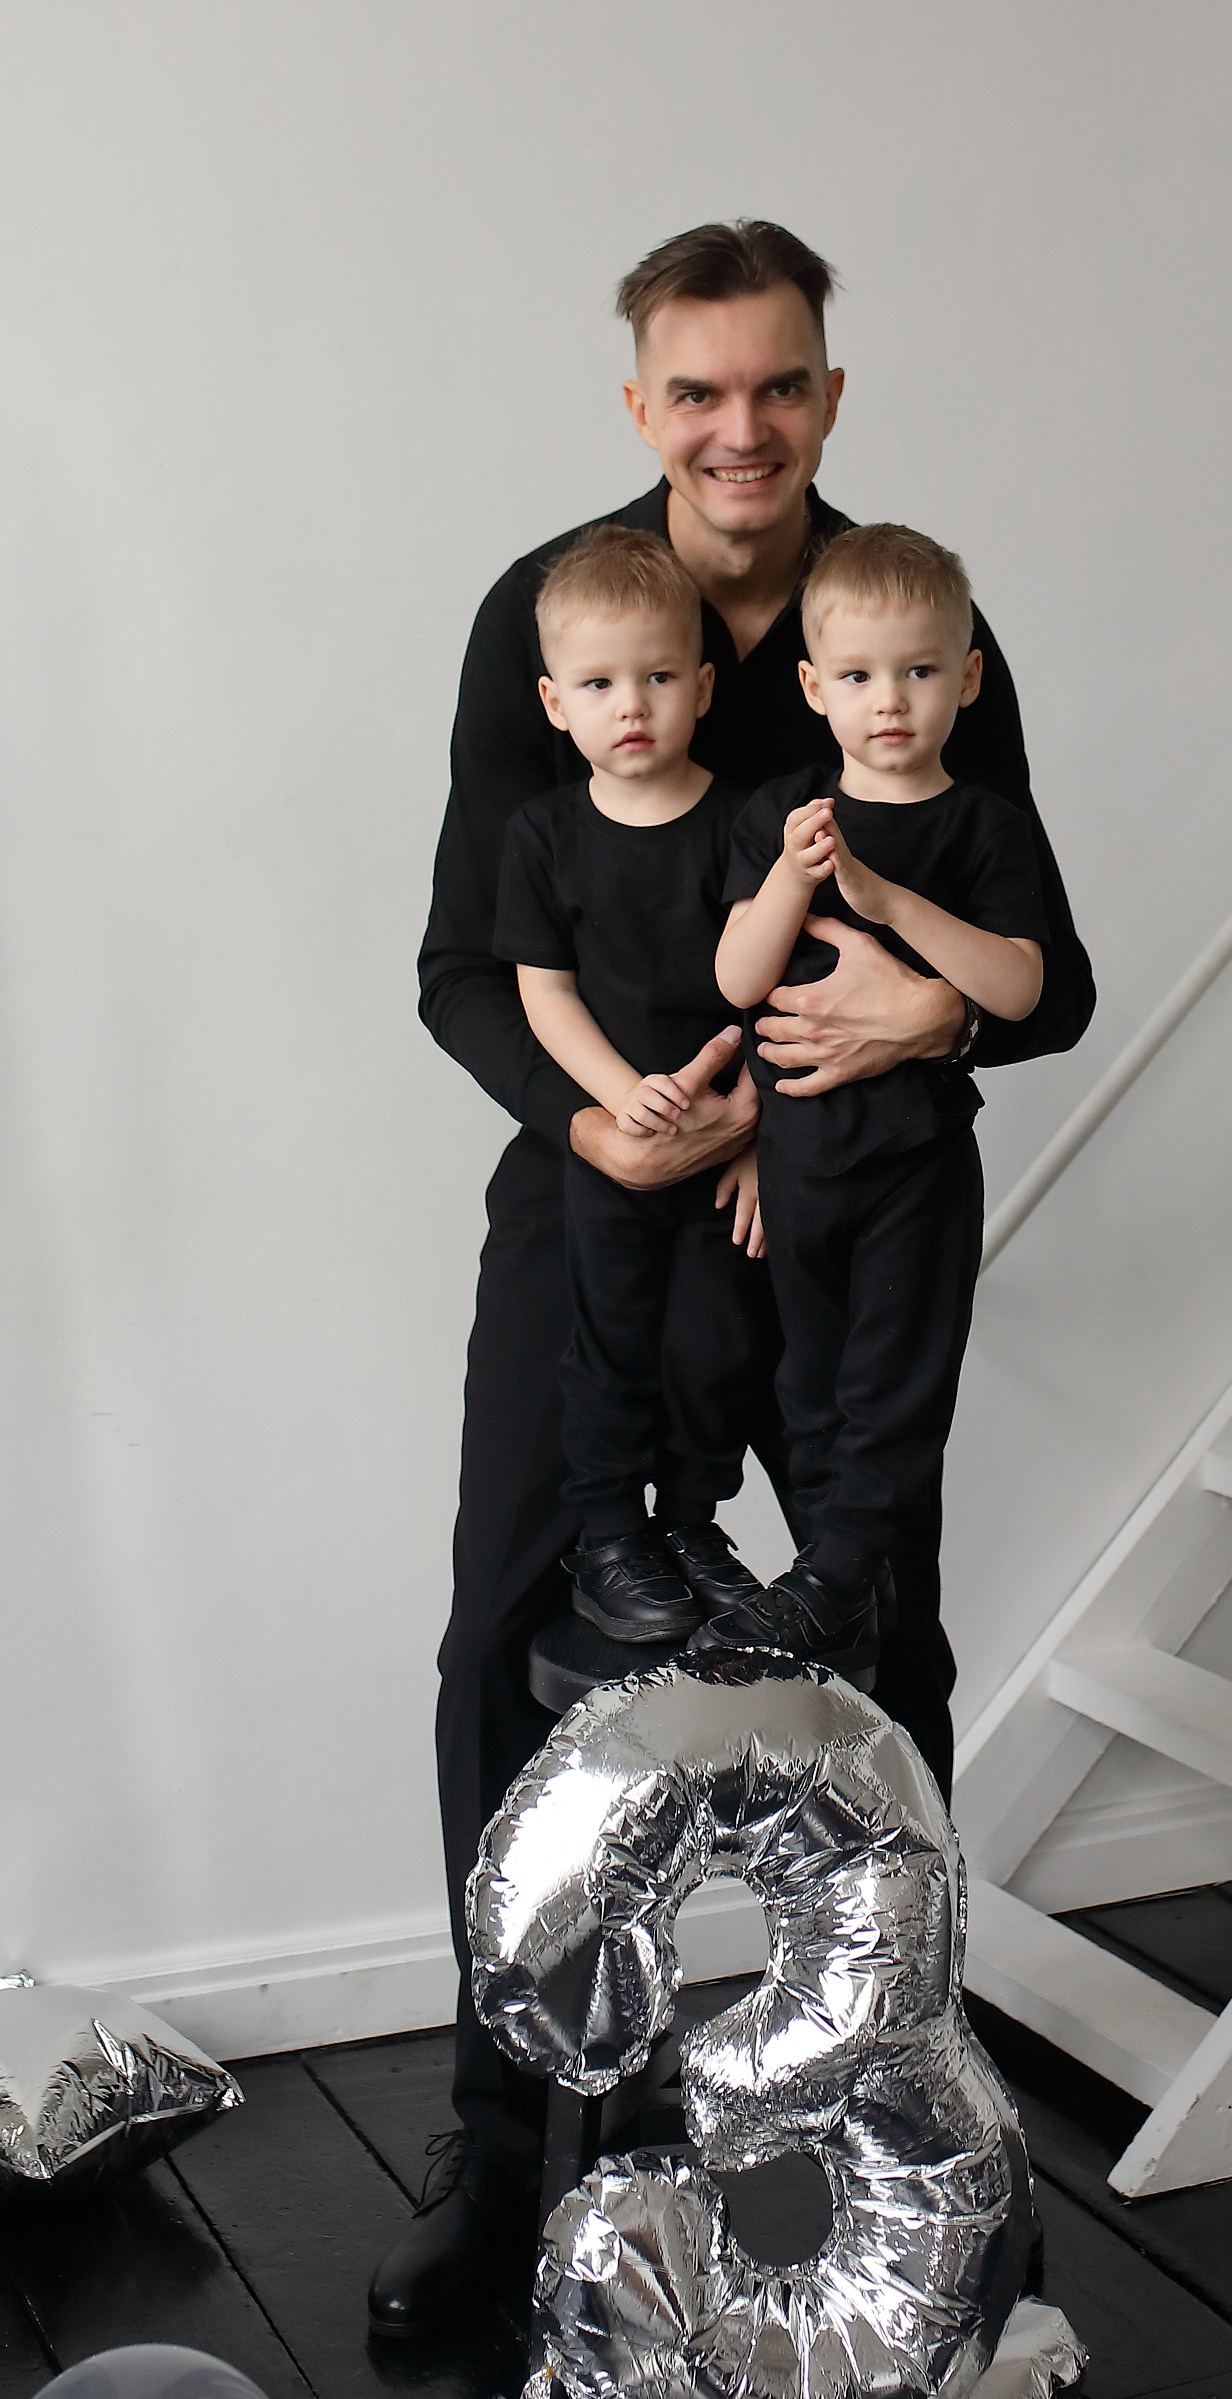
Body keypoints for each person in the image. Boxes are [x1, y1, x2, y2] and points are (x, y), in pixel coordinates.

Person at [373, 218, 1094, 2337]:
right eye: (697, 391)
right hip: (607, 1194)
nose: (740, 427)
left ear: (828, 394)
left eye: (779, 384)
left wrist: (928, 1015)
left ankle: (912, 2138)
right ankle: (501, 2139)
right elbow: (463, 964)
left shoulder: (912, 609)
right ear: (642, 406)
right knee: (498, 1639)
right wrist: (590, 1118)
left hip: (838, 1207)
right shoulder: (558, 611)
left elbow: (1032, 964)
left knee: (885, 1642)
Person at [696, 523, 1047, 1672]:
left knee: (893, 1386)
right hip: (801, 1162)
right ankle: (837, 1585)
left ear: (967, 678)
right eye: (856, 675)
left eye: (918, 670)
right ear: (813, 688)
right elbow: (736, 979)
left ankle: (837, 1578)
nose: (888, 700)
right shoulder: (783, 815)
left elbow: (1021, 986)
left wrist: (888, 901)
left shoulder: (982, 824)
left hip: (914, 1162)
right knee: (808, 1384)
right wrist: (791, 880)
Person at [495, 525, 770, 1643]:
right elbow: (543, 991)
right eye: (600, 684)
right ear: (555, 703)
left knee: (718, 1342)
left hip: (728, 1146)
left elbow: (776, 984)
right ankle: (609, 1533)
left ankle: (690, 1522)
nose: (632, 706)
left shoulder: (743, 822)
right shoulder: (543, 836)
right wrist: (615, 1100)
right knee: (608, 1343)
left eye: (658, 677)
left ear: (701, 687)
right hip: (613, 1151)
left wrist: (758, 1136)